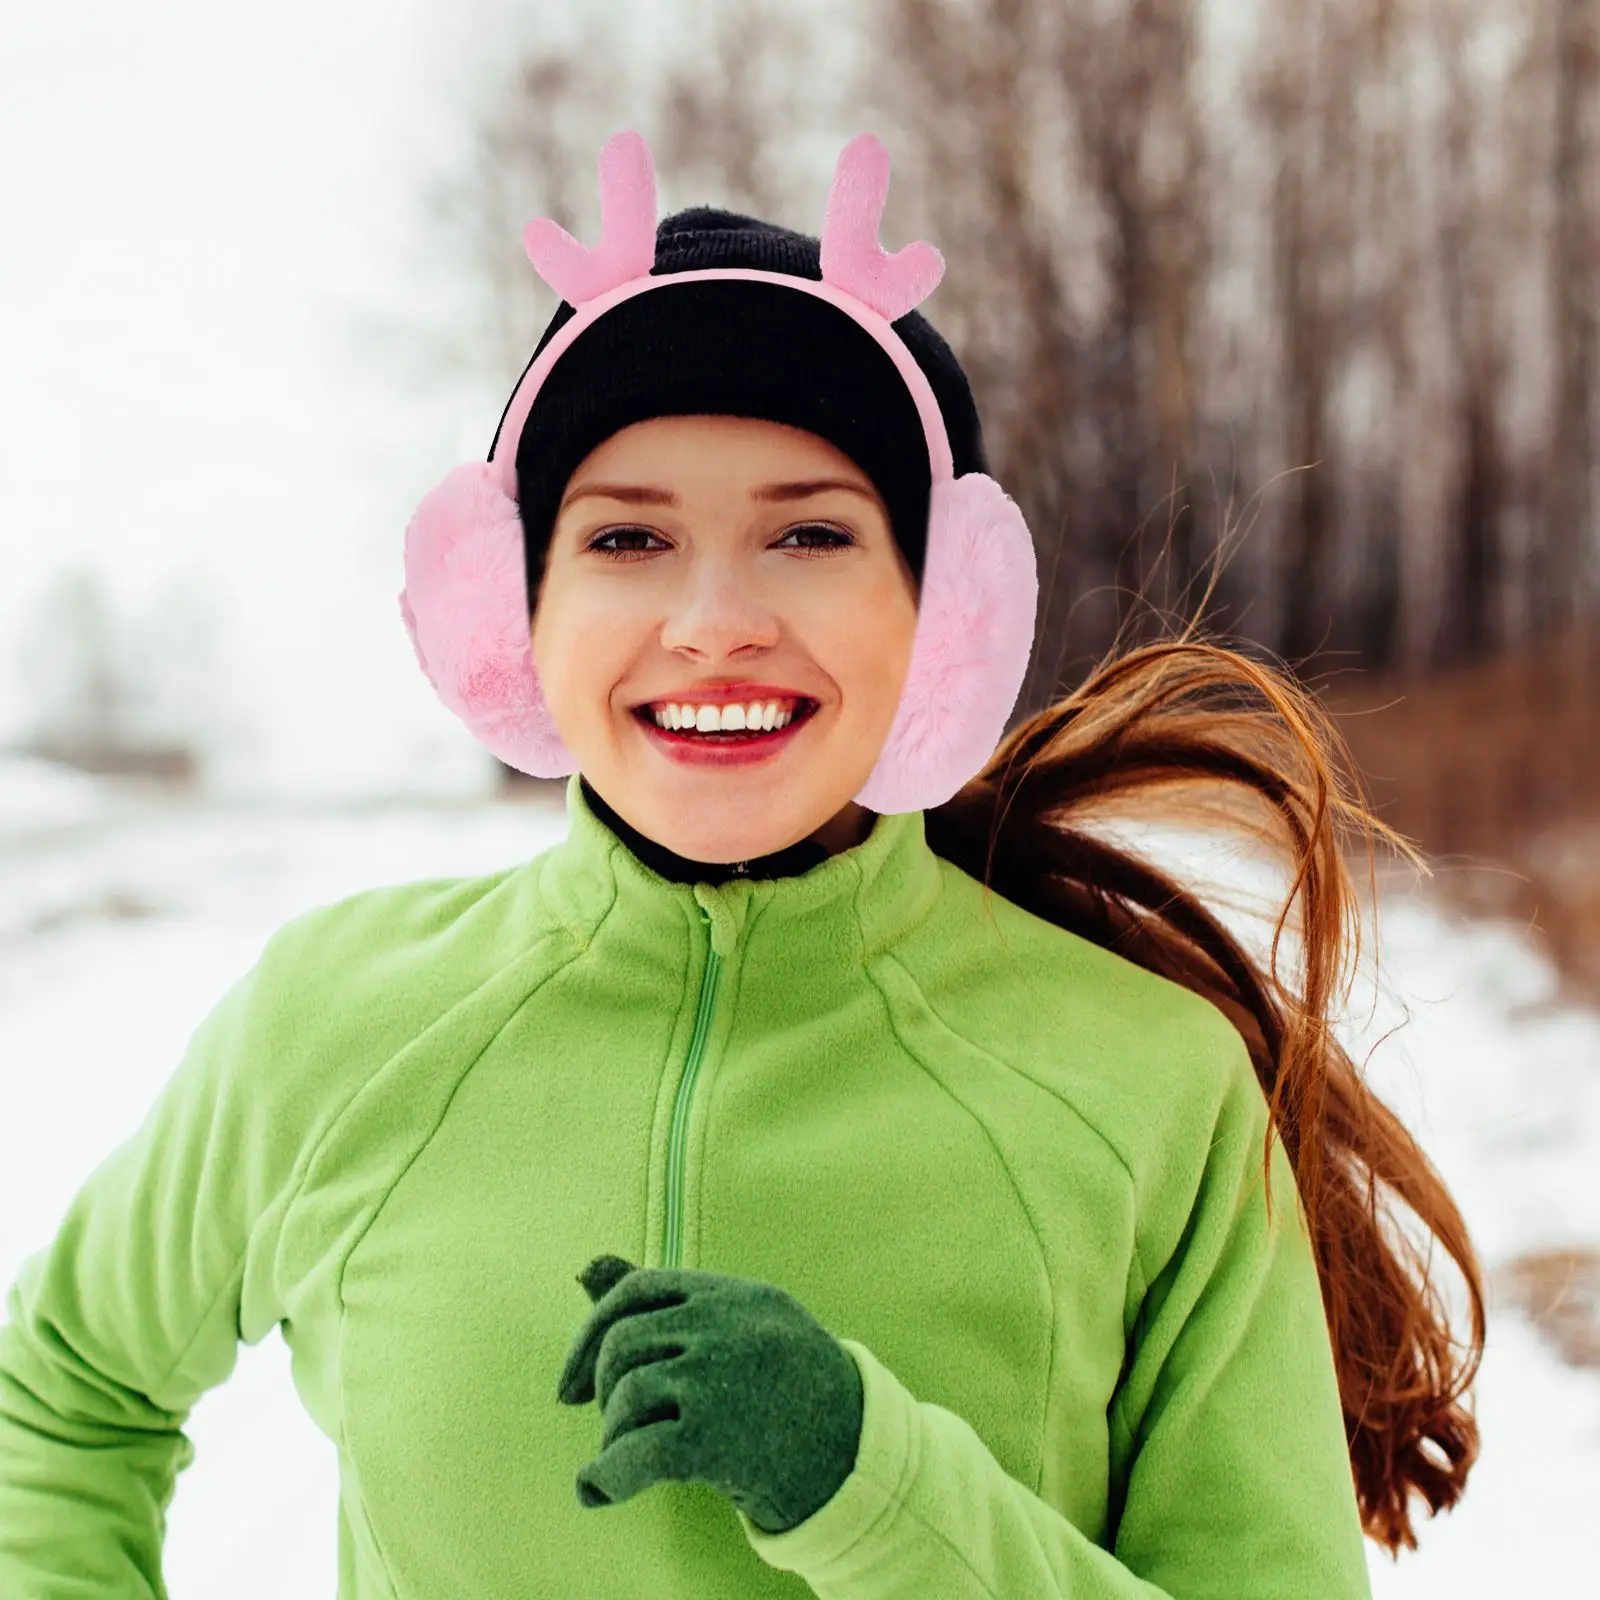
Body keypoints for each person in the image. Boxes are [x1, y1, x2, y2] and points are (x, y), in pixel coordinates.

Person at [0, 131, 1483, 1599]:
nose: (715, 620)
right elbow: (56, 1400)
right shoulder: (333, 1027)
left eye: (812, 535)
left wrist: (865, 1480)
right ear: (508, 612)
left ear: (942, 613)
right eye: (630, 540)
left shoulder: (1147, 1091)